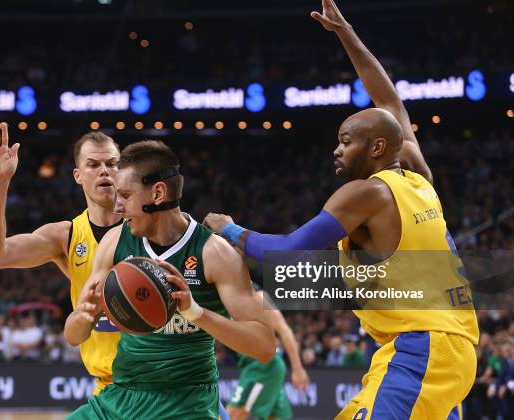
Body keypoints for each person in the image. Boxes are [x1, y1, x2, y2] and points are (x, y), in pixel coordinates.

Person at [204, 1, 479, 418]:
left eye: (346, 140)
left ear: (378, 148)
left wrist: (230, 230)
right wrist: (346, 34)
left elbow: (292, 250)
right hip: (448, 349)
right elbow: (391, 100)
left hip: (421, 350)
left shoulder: (365, 194)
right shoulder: (418, 176)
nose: (336, 148)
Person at [64, 140, 276, 420]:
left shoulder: (214, 253)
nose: (117, 207)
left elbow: (264, 347)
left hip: (187, 402)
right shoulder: (115, 242)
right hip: (121, 397)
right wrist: (83, 316)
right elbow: (72, 336)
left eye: (126, 195)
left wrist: (195, 313)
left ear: (158, 193)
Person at [0, 123, 122, 393]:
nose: (104, 170)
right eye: (93, 164)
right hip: (109, 387)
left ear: (122, 171)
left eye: (112, 163)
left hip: (160, 380)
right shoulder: (65, 236)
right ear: (78, 176)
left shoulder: (150, 228)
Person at [227, 287, 309, 420]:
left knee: (232, 415)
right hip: (257, 366)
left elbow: (284, 330)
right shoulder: (225, 295)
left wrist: (297, 368)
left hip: (263, 367)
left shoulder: (257, 297)